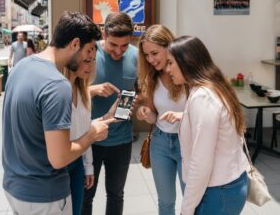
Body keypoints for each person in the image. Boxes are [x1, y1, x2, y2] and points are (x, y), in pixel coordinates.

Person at [2, 11, 116, 215]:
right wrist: (91, 134)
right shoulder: (57, 85)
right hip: (45, 197)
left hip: (14, 188)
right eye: (88, 50)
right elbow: (60, 158)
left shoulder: (20, 68)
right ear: (74, 44)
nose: (90, 57)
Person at [167, 36, 249, 215]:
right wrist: (185, 117)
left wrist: (186, 209)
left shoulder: (202, 97)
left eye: (170, 63)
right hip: (230, 184)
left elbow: (201, 163)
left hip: (217, 192)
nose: (168, 69)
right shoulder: (214, 86)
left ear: (186, 62)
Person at [82, 12, 137, 215]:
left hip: (121, 141)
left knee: (116, 195)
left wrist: (137, 103)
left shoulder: (135, 55)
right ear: (104, 34)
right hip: (89, 139)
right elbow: (68, 92)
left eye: (124, 46)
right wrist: (92, 90)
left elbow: (137, 91)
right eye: (114, 45)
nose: (119, 52)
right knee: (86, 196)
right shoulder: (88, 52)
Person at [136, 25, 186, 215]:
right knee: (165, 202)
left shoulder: (187, 74)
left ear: (170, 46)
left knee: (191, 199)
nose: (150, 59)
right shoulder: (151, 78)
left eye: (155, 53)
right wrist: (146, 113)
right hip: (160, 142)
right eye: (147, 55)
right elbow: (154, 116)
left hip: (186, 141)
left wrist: (183, 116)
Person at [63, 48, 96, 215]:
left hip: (77, 165)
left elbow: (86, 131)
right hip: (58, 165)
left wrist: (88, 166)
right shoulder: (57, 90)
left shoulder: (84, 90)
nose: (91, 66)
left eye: (93, 61)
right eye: (87, 61)